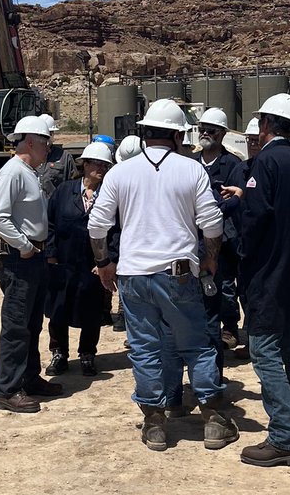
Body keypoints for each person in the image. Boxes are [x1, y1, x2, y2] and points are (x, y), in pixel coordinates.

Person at [87, 99, 236, 453]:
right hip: (179, 273)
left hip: (133, 275)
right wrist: (211, 259)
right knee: (197, 345)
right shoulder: (192, 170)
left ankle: (155, 422)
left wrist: (105, 262)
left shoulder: (120, 173)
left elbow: (96, 225)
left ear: (144, 132)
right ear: (178, 134)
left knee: (144, 348)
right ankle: (213, 419)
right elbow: (212, 224)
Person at [235, 93, 290, 468]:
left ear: (265, 124)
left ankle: (284, 436)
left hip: (268, 269)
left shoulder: (264, 162)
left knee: (264, 349)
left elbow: (256, 218)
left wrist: (239, 250)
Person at [0, 115, 63, 412]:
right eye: (46, 142)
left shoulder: (28, 172)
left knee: (32, 324)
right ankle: (7, 390)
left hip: (33, 257)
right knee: (17, 326)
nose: (49, 148)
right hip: (21, 259)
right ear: (30, 142)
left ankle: (29, 378)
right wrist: (24, 245)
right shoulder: (13, 173)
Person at [44, 141, 117, 377]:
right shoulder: (64, 191)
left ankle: (87, 354)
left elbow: (117, 231)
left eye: (106, 165)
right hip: (63, 263)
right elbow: (50, 224)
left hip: (93, 266)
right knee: (58, 310)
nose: (101, 168)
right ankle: (59, 353)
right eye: (97, 163)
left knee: (92, 312)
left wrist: (107, 261)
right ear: (84, 164)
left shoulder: (110, 195)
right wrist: (51, 255)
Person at [196, 108, 245, 350]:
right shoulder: (190, 163)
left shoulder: (233, 164)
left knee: (225, 286)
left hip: (225, 239)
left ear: (222, 134)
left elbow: (237, 203)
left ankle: (229, 328)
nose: (204, 133)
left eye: (211, 130)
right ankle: (204, 329)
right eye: (201, 128)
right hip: (196, 238)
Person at [36, 113, 77, 199]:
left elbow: (74, 184)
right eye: (43, 135)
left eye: (50, 133)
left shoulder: (64, 157)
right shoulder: (29, 157)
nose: (46, 137)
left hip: (56, 207)